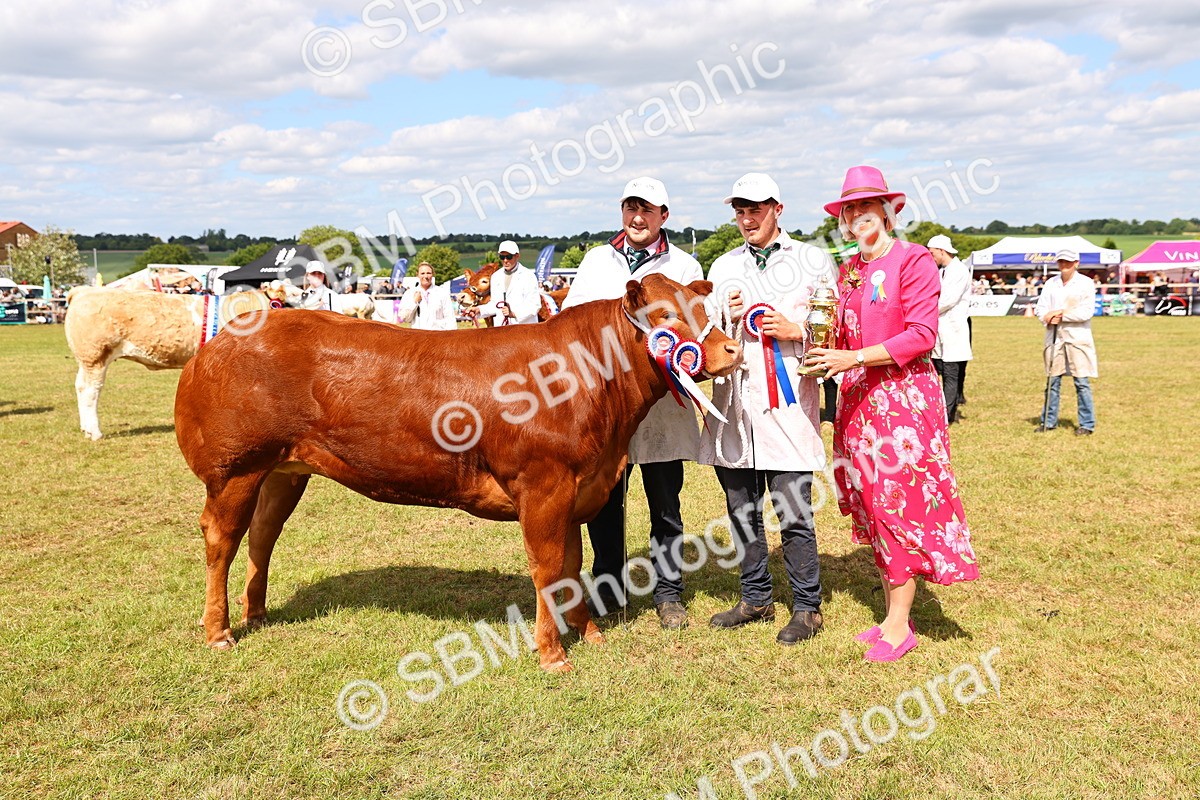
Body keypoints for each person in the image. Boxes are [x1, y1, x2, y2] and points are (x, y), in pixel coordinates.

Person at [805, 164, 979, 663]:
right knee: (874, 506)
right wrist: (797, 331)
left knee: (898, 504)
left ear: (888, 210)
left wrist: (853, 358)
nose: (856, 215)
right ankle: (890, 616)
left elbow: (923, 334)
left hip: (902, 401)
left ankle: (900, 626)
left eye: (865, 206)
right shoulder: (849, 270)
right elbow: (837, 333)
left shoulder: (915, 259)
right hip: (859, 403)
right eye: (848, 209)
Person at [560, 177, 703, 630]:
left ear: (664, 216)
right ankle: (608, 589)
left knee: (665, 504)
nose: (637, 217)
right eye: (630, 208)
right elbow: (572, 326)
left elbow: (694, 331)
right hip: (606, 409)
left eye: (648, 209)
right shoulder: (597, 260)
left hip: (662, 405)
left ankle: (669, 593)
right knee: (603, 503)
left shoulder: (682, 263)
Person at [699, 172, 834, 645]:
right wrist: (723, 314)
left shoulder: (813, 260)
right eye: (739, 210)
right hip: (736, 404)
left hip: (789, 405)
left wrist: (796, 330)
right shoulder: (723, 266)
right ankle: (754, 596)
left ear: (778, 208)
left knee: (792, 507)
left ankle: (807, 606)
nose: (746, 218)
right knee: (740, 508)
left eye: (755, 208)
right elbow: (706, 336)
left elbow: (834, 329)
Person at [1034, 249, 1098, 436]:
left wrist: (1059, 315)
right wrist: (1047, 317)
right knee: (1052, 381)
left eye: (1068, 262)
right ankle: (1048, 420)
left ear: (1076, 263)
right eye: (1061, 262)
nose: (1064, 265)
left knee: (1081, 381)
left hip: (1077, 338)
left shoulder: (1086, 283)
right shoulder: (1051, 283)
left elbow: (1086, 312)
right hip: (1054, 337)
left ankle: (1087, 423)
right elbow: (1041, 308)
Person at [927, 234, 972, 425]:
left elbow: (947, 300)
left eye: (932, 253)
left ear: (941, 251)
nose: (930, 257)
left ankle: (947, 417)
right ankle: (938, 411)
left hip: (953, 330)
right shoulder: (942, 271)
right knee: (937, 371)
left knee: (950, 375)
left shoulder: (959, 271)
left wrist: (923, 311)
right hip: (940, 330)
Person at [470, 240, 540, 325]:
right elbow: (495, 304)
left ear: (517, 256)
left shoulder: (529, 276)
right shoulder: (496, 276)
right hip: (502, 331)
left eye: (509, 257)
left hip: (524, 330)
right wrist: (479, 310)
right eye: (502, 257)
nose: (505, 260)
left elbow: (534, 305)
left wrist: (514, 314)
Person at [397, 261, 457, 331]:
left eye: (428, 273)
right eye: (422, 273)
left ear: (433, 274)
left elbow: (450, 318)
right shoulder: (409, 293)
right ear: (417, 275)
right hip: (418, 337)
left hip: (438, 336)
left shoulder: (442, 293)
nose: (426, 276)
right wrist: (414, 302)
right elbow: (404, 318)